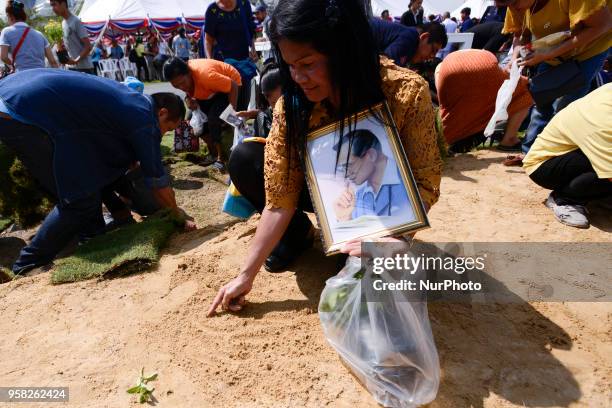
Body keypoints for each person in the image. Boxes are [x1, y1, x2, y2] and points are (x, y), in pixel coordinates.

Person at [208, 0, 442, 315]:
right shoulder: (290, 107)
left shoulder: (405, 93)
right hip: (321, 194)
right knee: (245, 156)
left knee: (362, 281)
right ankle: (298, 236)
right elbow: (280, 197)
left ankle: (359, 244)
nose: (298, 77)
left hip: (379, 211)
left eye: (307, 64)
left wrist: (392, 238)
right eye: (290, 66)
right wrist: (245, 275)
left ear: (342, 52)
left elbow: (424, 180)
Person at [0, 68, 196, 274]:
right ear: (162, 113)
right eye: (168, 128)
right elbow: (156, 179)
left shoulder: (131, 103)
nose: (163, 134)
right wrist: (177, 215)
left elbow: (99, 165)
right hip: (20, 110)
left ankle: (92, 238)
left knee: (86, 183)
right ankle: (28, 265)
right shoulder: (143, 117)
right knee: (79, 201)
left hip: (13, 92)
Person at [495, 0, 612, 154]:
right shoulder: (514, 4)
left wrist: (549, 54)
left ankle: (554, 154)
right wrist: (515, 58)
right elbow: (520, 35)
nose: (512, 7)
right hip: (550, 52)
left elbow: (603, 25)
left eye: (514, 2)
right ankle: (530, 153)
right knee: (541, 99)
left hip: (589, 49)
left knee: (567, 106)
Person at [523, 84, 611, 228]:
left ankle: (600, 195)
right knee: (605, 169)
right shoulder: (604, 119)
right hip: (544, 166)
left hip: (576, 152)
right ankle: (565, 199)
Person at [436, 49, 533, 152]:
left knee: (455, 111)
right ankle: (509, 139)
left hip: (449, 66)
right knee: (523, 90)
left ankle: (451, 139)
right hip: (483, 63)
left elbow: (445, 104)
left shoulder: (439, 68)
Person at [163, 57, 242, 170]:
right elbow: (188, 90)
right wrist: (188, 99)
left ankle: (221, 158)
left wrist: (232, 112)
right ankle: (213, 151)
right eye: (176, 86)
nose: (181, 87)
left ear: (189, 73)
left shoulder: (206, 76)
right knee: (193, 120)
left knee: (213, 119)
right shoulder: (187, 78)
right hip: (210, 90)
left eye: (182, 83)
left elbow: (233, 85)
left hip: (231, 87)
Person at [333, 130, 411, 221]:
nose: (346, 174)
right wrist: (345, 218)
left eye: (349, 165)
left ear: (371, 155)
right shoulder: (357, 197)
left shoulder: (411, 180)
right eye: (342, 168)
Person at [0, 0, 58, 72]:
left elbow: (3, 57)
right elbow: (53, 62)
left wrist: (13, 65)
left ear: (10, 16)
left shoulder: (6, 32)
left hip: (22, 75)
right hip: (41, 75)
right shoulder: (40, 35)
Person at [370, 18, 448, 67]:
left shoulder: (412, 47)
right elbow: (387, 65)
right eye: (433, 50)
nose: (432, 56)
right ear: (424, 37)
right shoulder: (410, 37)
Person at [236, 62, 282, 138]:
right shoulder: (263, 117)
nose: (277, 107)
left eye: (280, 101)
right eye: (273, 103)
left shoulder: (297, 114)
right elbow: (253, 137)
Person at [50, 0, 94, 74]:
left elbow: (88, 46)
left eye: (54, 5)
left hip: (84, 69)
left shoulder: (76, 21)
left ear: (63, 4)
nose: (53, 8)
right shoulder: (63, 23)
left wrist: (76, 61)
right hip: (71, 69)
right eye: (51, 6)